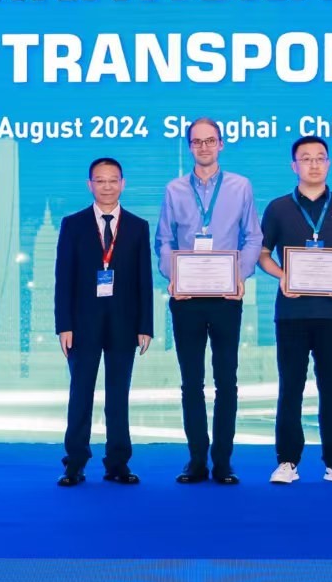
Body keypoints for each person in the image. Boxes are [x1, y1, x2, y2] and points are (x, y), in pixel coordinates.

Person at [156, 117, 262, 485]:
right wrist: (173, 276)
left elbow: (253, 237)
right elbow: (164, 241)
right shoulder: (174, 190)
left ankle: (223, 461)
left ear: (221, 144)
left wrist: (239, 277)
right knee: (191, 383)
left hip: (225, 298)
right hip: (186, 298)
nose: (204, 147)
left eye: (210, 140)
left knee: (226, 382)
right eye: (197, 141)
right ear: (190, 147)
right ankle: (197, 459)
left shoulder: (240, 186)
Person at [258, 135, 332, 485]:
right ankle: (287, 461)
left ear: (329, 163)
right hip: (292, 313)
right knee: (290, 387)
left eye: (320, 158)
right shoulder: (278, 208)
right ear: (294, 166)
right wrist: (283, 276)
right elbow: (262, 255)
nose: (314, 164)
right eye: (306, 158)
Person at [54, 157, 153, 486]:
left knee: (118, 396)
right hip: (82, 324)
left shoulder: (137, 226)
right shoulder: (73, 224)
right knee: (80, 393)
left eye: (113, 180)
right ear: (90, 185)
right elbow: (63, 278)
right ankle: (75, 463)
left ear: (123, 184)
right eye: (100, 180)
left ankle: (118, 464)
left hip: (124, 324)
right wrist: (64, 325)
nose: (107, 186)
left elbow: (144, 280)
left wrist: (145, 326)